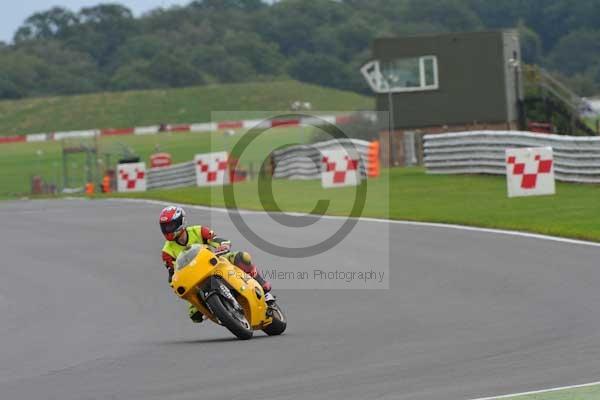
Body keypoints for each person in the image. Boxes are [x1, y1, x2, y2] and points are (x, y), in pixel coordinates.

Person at [159, 205, 273, 323]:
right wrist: (174, 282)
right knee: (194, 314)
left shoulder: (198, 230)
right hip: (194, 279)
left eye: (170, 226)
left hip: (214, 263)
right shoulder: (167, 251)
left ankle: (264, 290)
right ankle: (218, 312)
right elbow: (172, 273)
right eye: (164, 227)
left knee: (241, 257)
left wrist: (223, 245)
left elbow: (216, 239)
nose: (168, 230)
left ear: (181, 222)